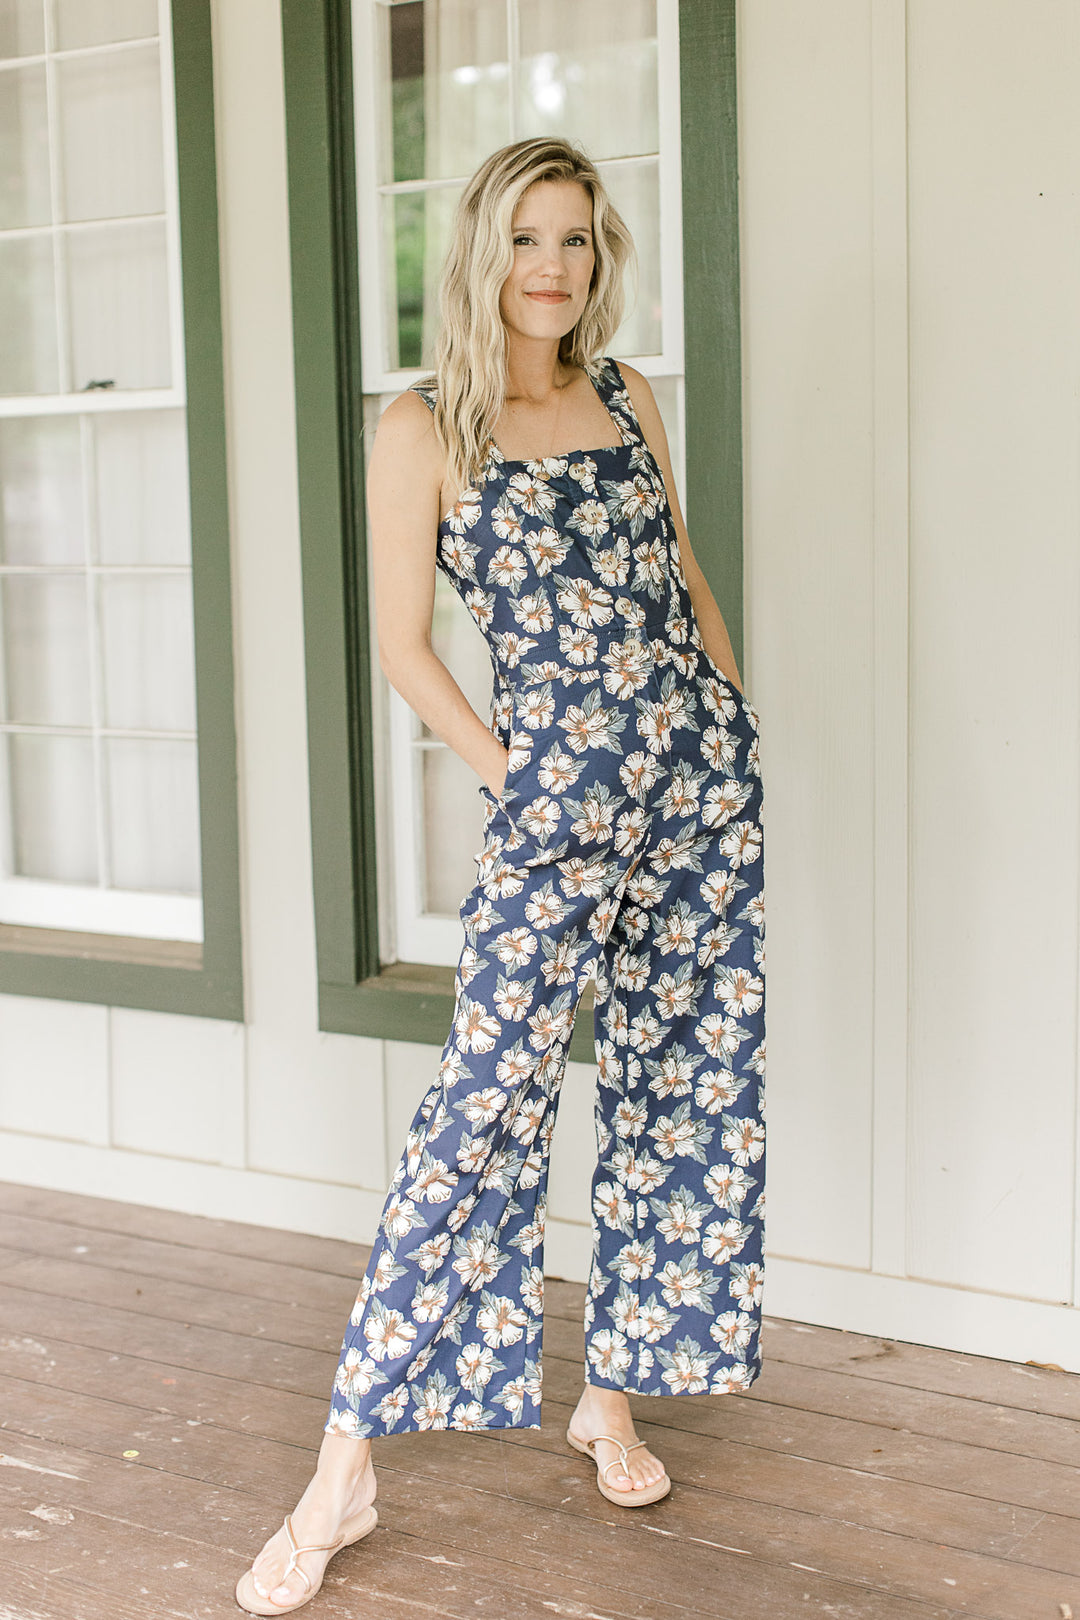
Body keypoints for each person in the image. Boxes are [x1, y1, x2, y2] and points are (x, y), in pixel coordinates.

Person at [236, 135, 765, 1616]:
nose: (555, 267)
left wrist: (731, 719)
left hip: (700, 793)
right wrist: (519, 775)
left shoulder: (624, 395)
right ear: (484, 250)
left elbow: (687, 579)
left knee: (685, 1088)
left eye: (580, 242)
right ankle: (346, 1469)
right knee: (485, 1105)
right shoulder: (427, 428)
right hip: (555, 810)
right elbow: (406, 647)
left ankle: (614, 1393)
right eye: (531, 238)